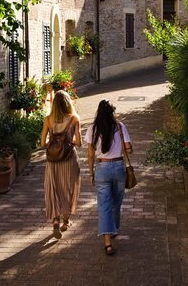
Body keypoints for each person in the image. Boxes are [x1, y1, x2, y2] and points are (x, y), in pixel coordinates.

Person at [84, 99, 133, 255]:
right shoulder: (120, 127)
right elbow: (129, 149)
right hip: (119, 168)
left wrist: (91, 172)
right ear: (112, 112)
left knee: (104, 205)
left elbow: (90, 154)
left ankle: (107, 242)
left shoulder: (93, 129)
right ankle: (113, 231)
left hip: (102, 168)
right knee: (116, 203)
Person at [40, 90, 82, 239]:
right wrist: (68, 141)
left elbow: (42, 143)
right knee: (68, 189)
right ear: (68, 102)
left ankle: (55, 221)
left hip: (53, 162)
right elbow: (79, 142)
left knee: (54, 189)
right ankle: (66, 221)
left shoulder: (47, 119)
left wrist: (53, 142)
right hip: (69, 160)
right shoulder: (74, 119)